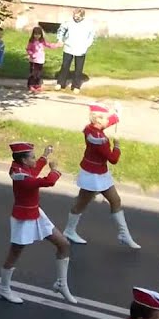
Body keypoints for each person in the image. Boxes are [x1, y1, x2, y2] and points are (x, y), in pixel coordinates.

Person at [0, 142, 75, 305]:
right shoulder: (21, 177)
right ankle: (4, 288)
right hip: (23, 218)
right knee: (15, 254)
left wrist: (44, 156)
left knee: (64, 244)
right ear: (24, 161)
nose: (35, 158)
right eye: (32, 156)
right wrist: (55, 170)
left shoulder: (22, 169)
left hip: (36, 213)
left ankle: (61, 284)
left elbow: (34, 170)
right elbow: (47, 181)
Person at [64, 104, 139, 248]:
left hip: (101, 173)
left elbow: (108, 122)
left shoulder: (92, 128)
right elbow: (113, 159)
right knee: (81, 204)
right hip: (91, 176)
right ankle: (69, 230)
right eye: (105, 118)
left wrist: (116, 115)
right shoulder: (98, 138)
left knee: (115, 200)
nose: (108, 120)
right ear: (98, 120)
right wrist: (117, 145)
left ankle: (124, 234)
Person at [56, 9, 94, 93]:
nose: (76, 18)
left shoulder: (88, 24)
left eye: (78, 17)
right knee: (65, 66)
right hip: (68, 46)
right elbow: (61, 30)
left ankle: (76, 86)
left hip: (81, 48)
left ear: (83, 16)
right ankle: (60, 83)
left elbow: (91, 36)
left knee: (78, 68)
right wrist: (60, 40)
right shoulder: (68, 21)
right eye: (75, 16)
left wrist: (86, 45)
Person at [25, 26, 60, 93]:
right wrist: (32, 54)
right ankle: (31, 85)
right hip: (33, 61)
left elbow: (48, 45)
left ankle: (37, 85)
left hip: (40, 60)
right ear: (33, 34)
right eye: (35, 34)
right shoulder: (32, 41)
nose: (37, 36)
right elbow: (28, 49)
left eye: (38, 34)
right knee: (33, 73)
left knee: (38, 73)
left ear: (41, 35)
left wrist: (56, 45)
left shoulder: (42, 41)